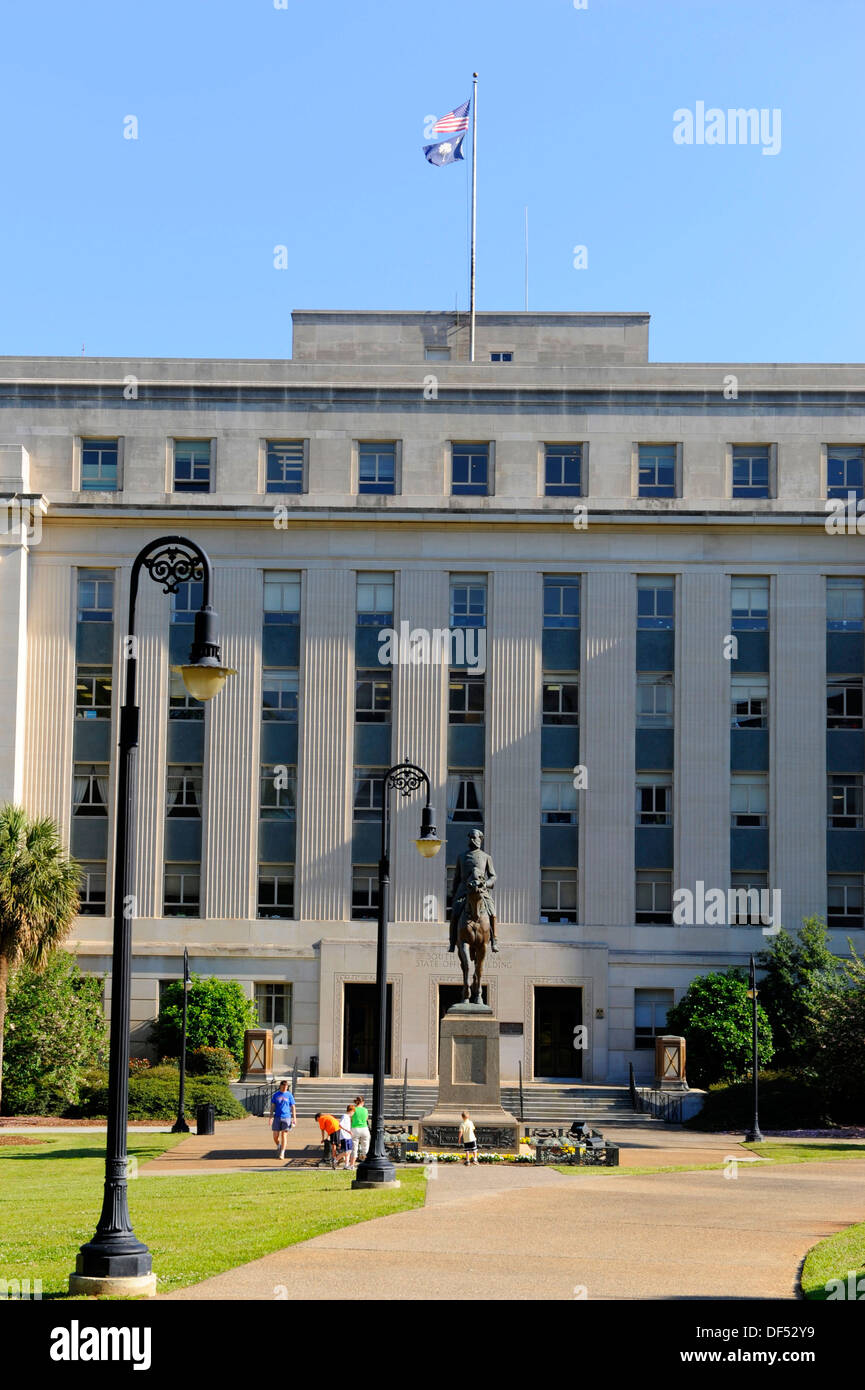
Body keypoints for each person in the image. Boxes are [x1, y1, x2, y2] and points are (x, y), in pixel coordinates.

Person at [448, 829, 499, 953]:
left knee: (492, 912)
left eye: (474, 837)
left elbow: (493, 876)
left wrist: (486, 884)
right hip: (464, 891)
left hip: (481, 890)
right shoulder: (461, 857)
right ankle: (452, 941)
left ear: (479, 840)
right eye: (470, 837)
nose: (472, 840)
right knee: (454, 914)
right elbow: (457, 878)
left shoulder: (486, 857)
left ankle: (494, 940)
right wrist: (454, 893)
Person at [268, 1079, 296, 1160]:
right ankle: (278, 1145)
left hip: (286, 1117)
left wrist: (294, 1118)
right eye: (283, 1086)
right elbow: (273, 1106)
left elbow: (293, 1106)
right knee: (275, 1136)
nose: (285, 1088)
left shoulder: (289, 1095)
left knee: (284, 1135)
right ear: (280, 1086)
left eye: (286, 1087)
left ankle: (282, 1152)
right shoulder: (276, 1095)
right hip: (277, 1117)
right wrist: (270, 1117)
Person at [351, 1094, 370, 1165]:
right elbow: (366, 1119)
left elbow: (351, 1118)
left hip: (355, 1128)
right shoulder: (365, 1110)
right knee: (365, 1146)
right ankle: (366, 1162)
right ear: (363, 1102)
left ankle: (352, 1164)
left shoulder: (353, 1109)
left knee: (354, 1147)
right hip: (364, 1128)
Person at [338, 1104, 355, 1170]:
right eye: (353, 1112)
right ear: (350, 1111)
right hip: (344, 1136)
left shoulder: (348, 1117)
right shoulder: (344, 1116)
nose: (353, 1113)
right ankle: (335, 1159)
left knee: (349, 1151)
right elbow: (340, 1125)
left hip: (348, 1136)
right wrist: (348, 1131)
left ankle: (346, 1165)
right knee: (346, 1152)